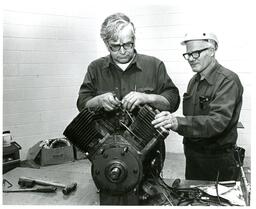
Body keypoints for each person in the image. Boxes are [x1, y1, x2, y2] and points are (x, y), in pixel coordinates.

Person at [77, 13, 180, 175]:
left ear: (134, 40)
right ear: (106, 44)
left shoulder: (154, 65)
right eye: (115, 46)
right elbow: (82, 103)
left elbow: (172, 101)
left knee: (150, 192)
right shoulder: (95, 68)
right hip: (106, 152)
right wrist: (99, 100)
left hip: (148, 150)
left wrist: (147, 98)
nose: (123, 51)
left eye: (128, 44)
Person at [152, 32, 243, 181]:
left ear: (212, 51)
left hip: (217, 160)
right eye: (187, 55)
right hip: (193, 157)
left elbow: (217, 122)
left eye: (195, 53)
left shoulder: (228, 81)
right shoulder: (194, 81)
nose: (190, 59)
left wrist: (177, 122)